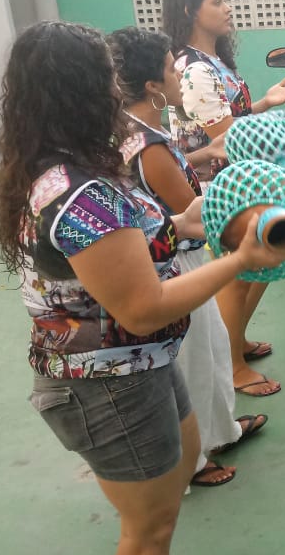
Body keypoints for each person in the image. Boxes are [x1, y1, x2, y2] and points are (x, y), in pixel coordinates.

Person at [0, 21, 285, 555]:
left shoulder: (68, 167)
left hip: (138, 367)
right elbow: (143, 308)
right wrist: (242, 259)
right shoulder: (79, 194)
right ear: (84, 90)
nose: (117, 88)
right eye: (107, 78)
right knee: (147, 528)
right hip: (107, 386)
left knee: (173, 478)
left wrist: (190, 218)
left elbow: (136, 241)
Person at [112, 27, 267, 488]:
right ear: (152, 86)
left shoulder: (137, 131)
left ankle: (221, 431)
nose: (180, 75)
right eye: (170, 69)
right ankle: (195, 459)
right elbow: (190, 210)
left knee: (212, 344)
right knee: (198, 357)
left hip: (172, 256)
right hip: (176, 261)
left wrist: (205, 153)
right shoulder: (150, 145)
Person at [162, 0, 285, 396]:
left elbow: (228, 120)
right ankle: (233, 366)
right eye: (217, 2)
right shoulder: (195, 69)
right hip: (218, 188)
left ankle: (236, 341)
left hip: (236, 179)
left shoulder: (210, 61)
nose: (228, 8)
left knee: (258, 266)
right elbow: (226, 135)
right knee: (238, 275)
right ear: (190, 10)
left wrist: (264, 103)